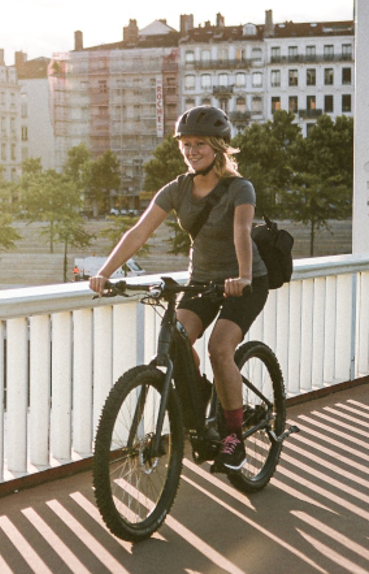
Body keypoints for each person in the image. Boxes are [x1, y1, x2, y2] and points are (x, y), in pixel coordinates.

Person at [86, 105, 267, 474]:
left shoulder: (239, 188)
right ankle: (203, 394)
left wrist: (244, 276)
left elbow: (241, 232)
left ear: (219, 146)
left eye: (199, 143)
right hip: (201, 280)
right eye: (185, 143)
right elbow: (139, 231)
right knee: (177, 340)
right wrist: (104, 272)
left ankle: (234, 435)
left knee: (219, 348)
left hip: (244, 282)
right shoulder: (178, 188)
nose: (190, 150)